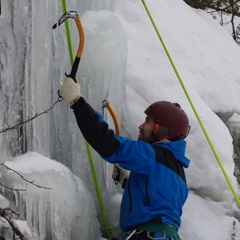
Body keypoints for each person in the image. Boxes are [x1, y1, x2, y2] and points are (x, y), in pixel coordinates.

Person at [59, 77, 191, 240]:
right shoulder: (178, 172)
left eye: (148, 121)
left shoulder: (152, 155)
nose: (141, 126)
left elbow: (109, 143)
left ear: (162, 130)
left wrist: (77, 103)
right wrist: (130, 182)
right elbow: (156, 198)